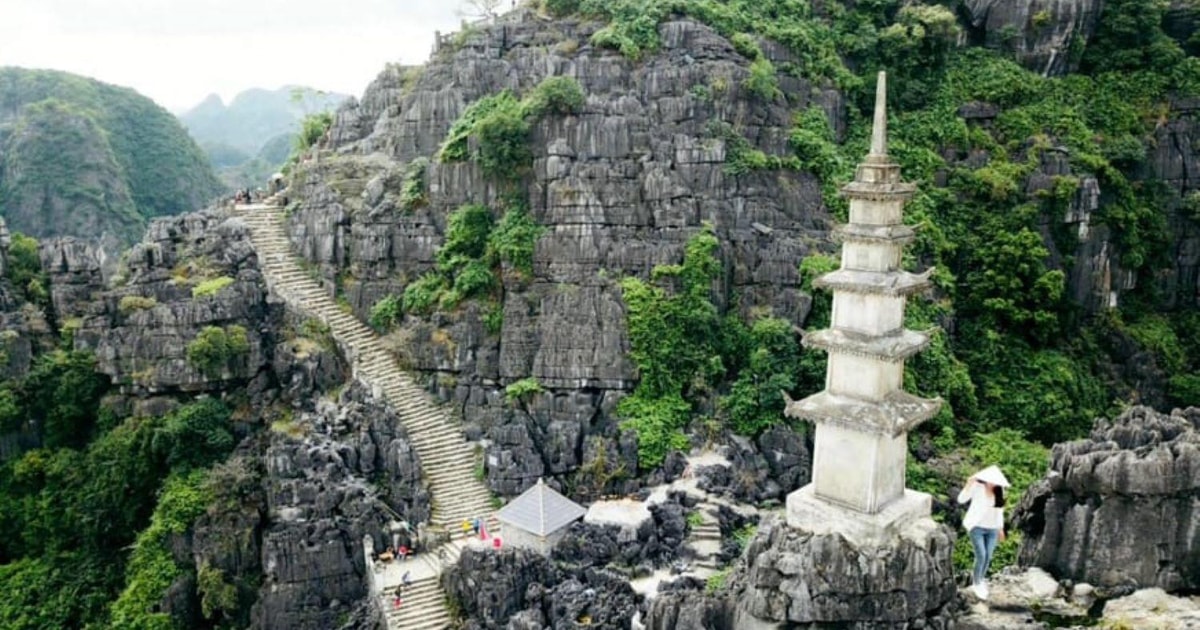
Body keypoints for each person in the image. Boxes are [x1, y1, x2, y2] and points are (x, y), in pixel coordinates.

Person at [957, 466, 1008, 600]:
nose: (992, 483)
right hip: (977, 527)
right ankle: (976, 583)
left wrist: (1000, 529)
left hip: (992, 529)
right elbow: (961, 500)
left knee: (988, 556)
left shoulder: (1000, 491)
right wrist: (968, 484)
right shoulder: (977, 488)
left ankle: (981, 579)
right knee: (981, 555)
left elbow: (999, 511)